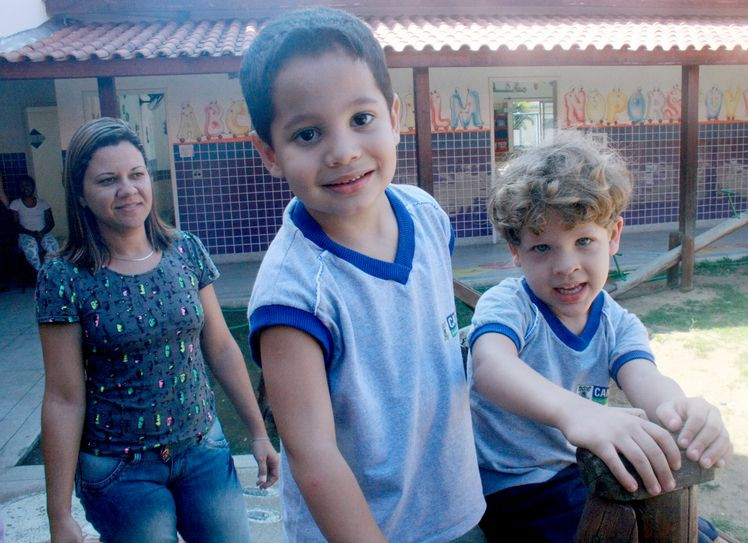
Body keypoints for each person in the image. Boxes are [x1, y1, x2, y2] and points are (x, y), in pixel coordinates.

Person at [240, 7, 485, 541]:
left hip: (457, 507)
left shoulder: (425, 214)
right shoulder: (294, 295)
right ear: (269, 153)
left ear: (394, 117)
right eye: (307, 134)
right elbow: (314, 456)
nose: (344, 151)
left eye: (361, 119)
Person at [468, 132, 733, 542]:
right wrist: (577, 413)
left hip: (584, 472)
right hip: (515, 486)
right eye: (542, 248)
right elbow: (490, 367)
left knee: (686, 526)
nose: (566, 266)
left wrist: (686, 416)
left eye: (584, 241)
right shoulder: (510, 305)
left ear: (614, 237)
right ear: (515, 252)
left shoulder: (616, 322)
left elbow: (648, 381)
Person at [35, 117, 279, 543]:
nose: (127, 190)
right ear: (80, 193)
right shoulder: (64, 277)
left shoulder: (185, 250)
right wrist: (59, 515)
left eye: (136, 174)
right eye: (108, 180)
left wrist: (257, 432)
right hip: (120, 470)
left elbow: (220, 347)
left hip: (203, 449)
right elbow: (63, 396)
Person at [9, 174, 60, 271]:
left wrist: (41, 233)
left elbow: (51, 222)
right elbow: (15, 224)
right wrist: (31, 233)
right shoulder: (15, 204)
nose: (25, 188)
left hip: (44, 233)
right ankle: (41, 274)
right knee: (31, 251)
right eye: (22, 186)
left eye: (27, 185)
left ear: (33, 187)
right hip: (26, 235)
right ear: (19, 188)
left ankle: (52, 271)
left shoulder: (43, 203)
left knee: (54, 249)